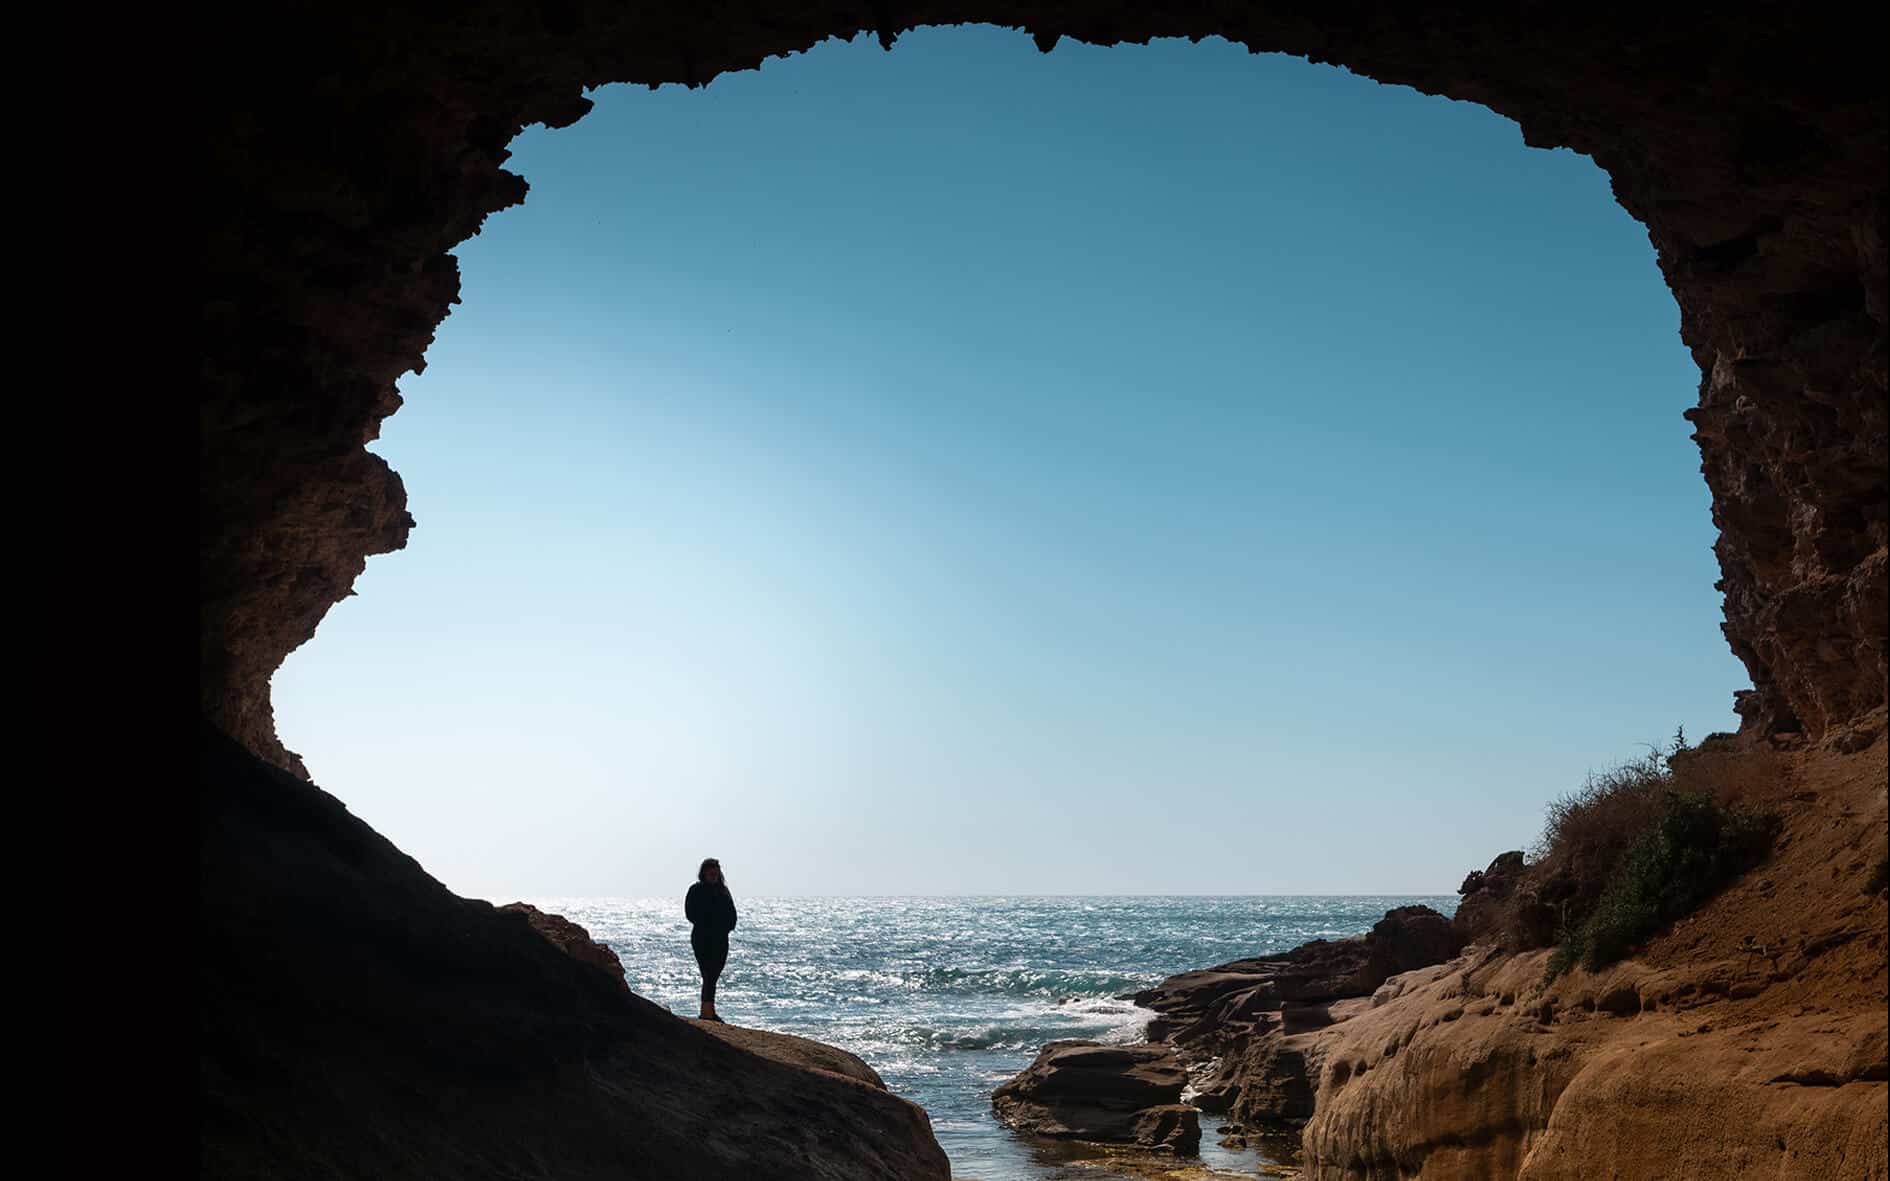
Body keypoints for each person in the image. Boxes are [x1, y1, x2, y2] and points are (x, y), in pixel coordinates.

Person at [685, 857, 737, 1022]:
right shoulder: (696, 889)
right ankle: (707, 1012)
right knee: (708, 973)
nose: (714, 874)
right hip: (702, 938)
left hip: (721, 939)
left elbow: (732, 914)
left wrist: (727, 927)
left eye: (716, 871)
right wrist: (709, 924)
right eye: (710, 871)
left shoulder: (723, 891)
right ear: (704, 873)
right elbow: (690, 913)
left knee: (714, 973)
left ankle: (708, 1010)